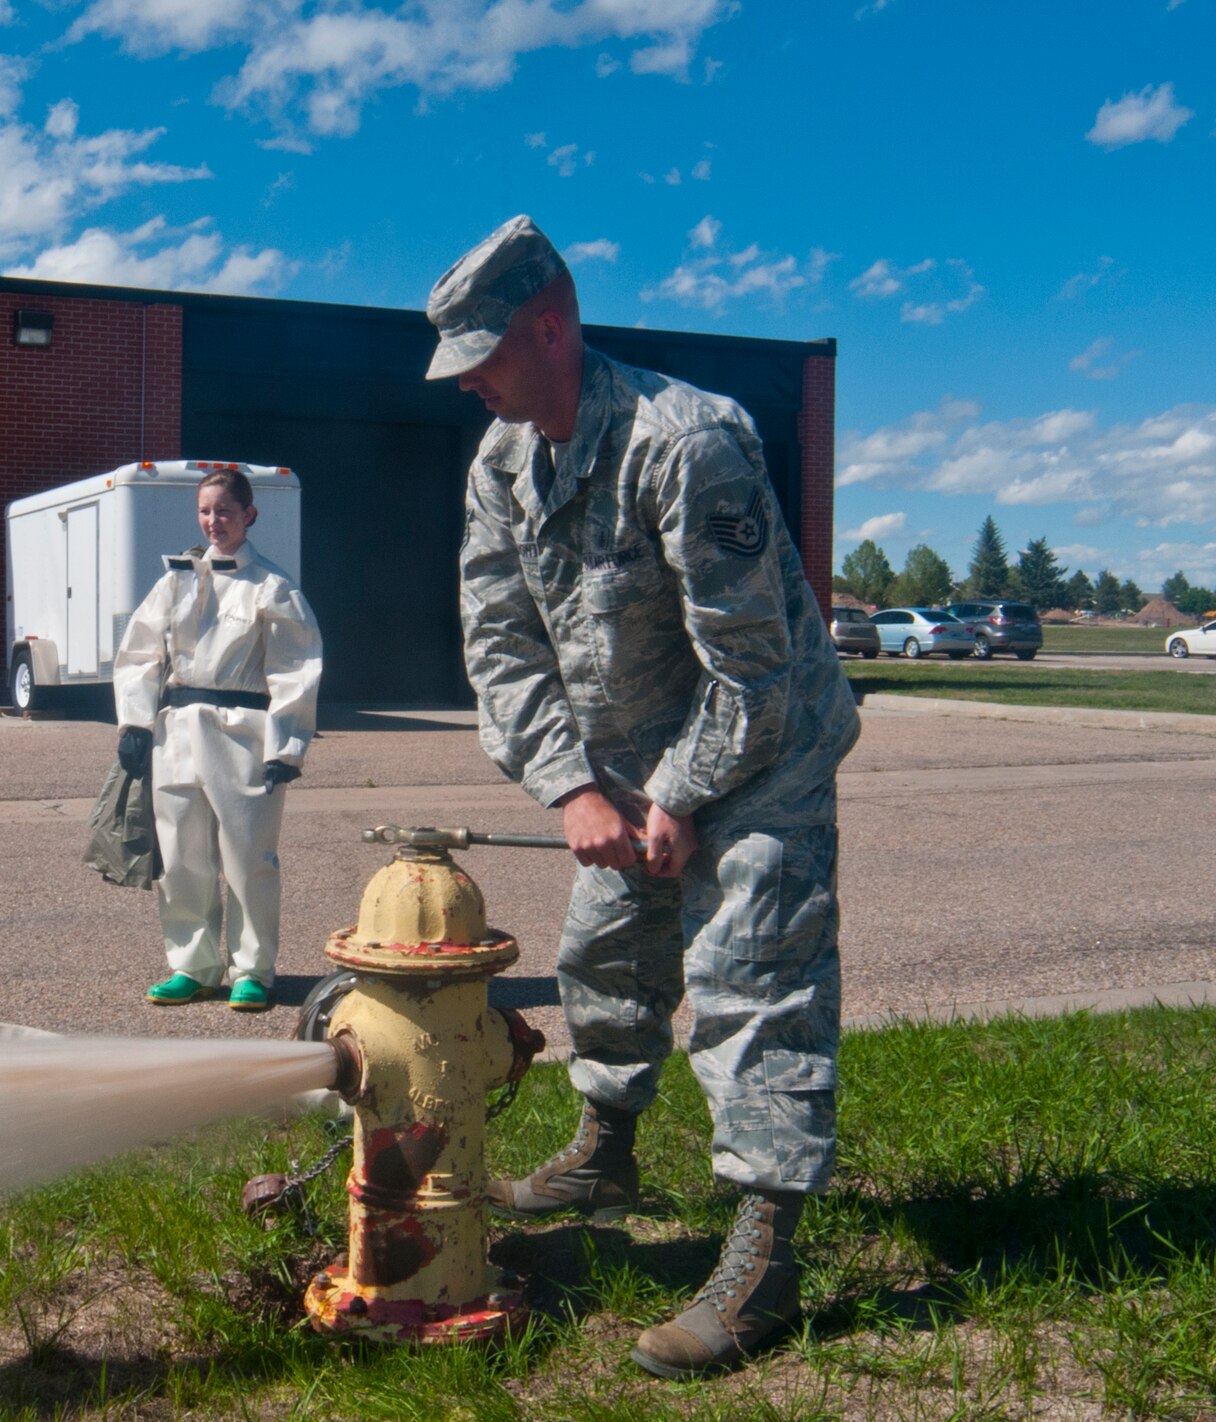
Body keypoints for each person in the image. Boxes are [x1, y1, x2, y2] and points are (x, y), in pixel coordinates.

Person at [424, 216, 860, 1378]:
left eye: (483, 350)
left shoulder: (690, 440)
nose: (465, 377)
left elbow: (753, 670)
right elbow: (500, 648)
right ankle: (603, 1155)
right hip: (626, 765)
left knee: (748, 980)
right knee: (604, 955)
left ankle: (764, 1256)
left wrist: (681, 794)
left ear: (550, 324)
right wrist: (572, 786)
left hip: (761, 758)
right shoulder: (501, 464)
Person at [112, 469, 324, 1012]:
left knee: (248, 857)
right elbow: (139, 655)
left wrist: (287, 746)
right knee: (181, 856)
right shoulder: (175, 581)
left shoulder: (273, 588)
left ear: (250, 515)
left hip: (243, 735)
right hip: (177, 731)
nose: (214, 522)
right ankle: (193, 965)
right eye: (206, 511)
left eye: (225, 511)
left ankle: (252, 969)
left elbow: (294, 669)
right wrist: (135, 723)